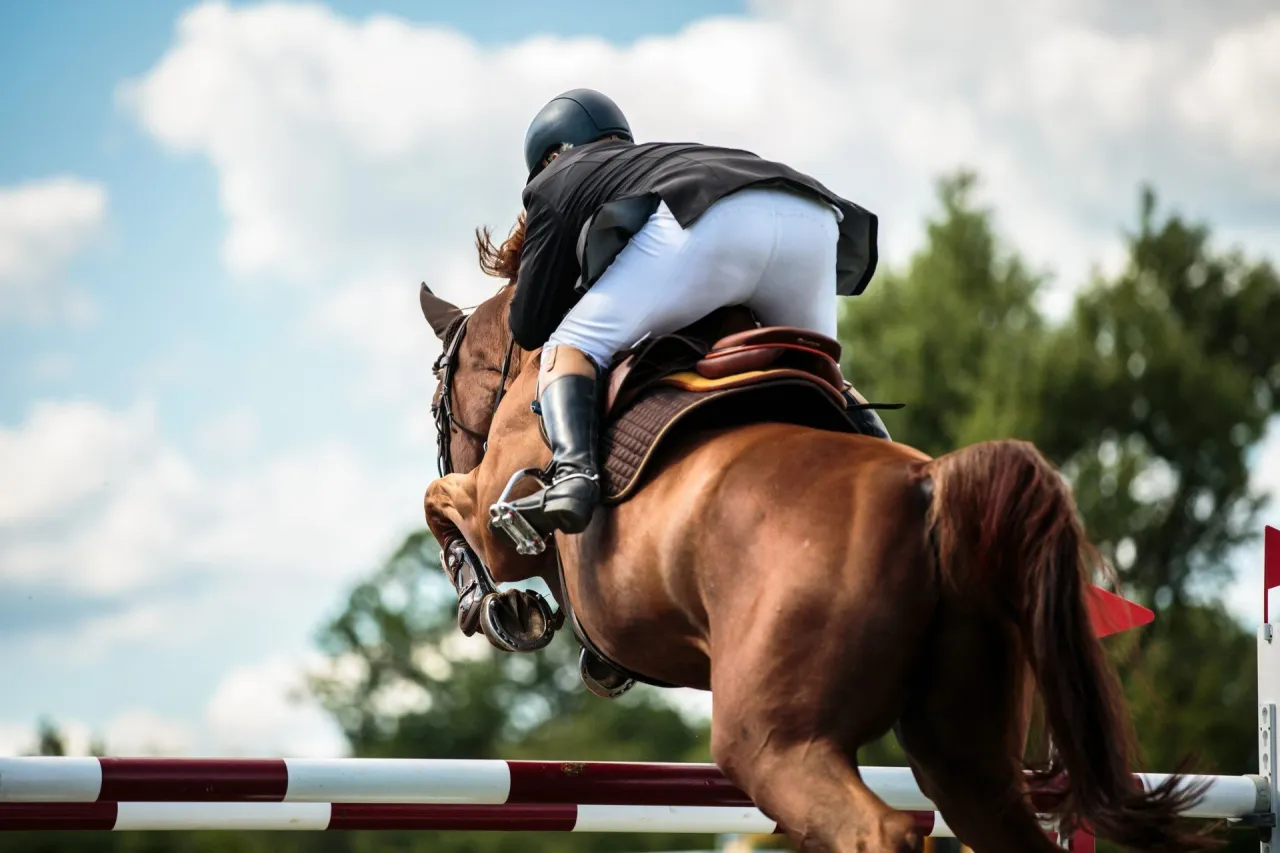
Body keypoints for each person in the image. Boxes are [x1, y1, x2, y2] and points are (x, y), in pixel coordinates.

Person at [483, 88, 887, 538]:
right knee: (821, 370)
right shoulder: (651, 159)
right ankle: (886, 459)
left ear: (551, 156)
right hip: (812, 219)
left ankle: (574, 477)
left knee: (570, 344)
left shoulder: (557, 176)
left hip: (715, 220)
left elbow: (530, 325)